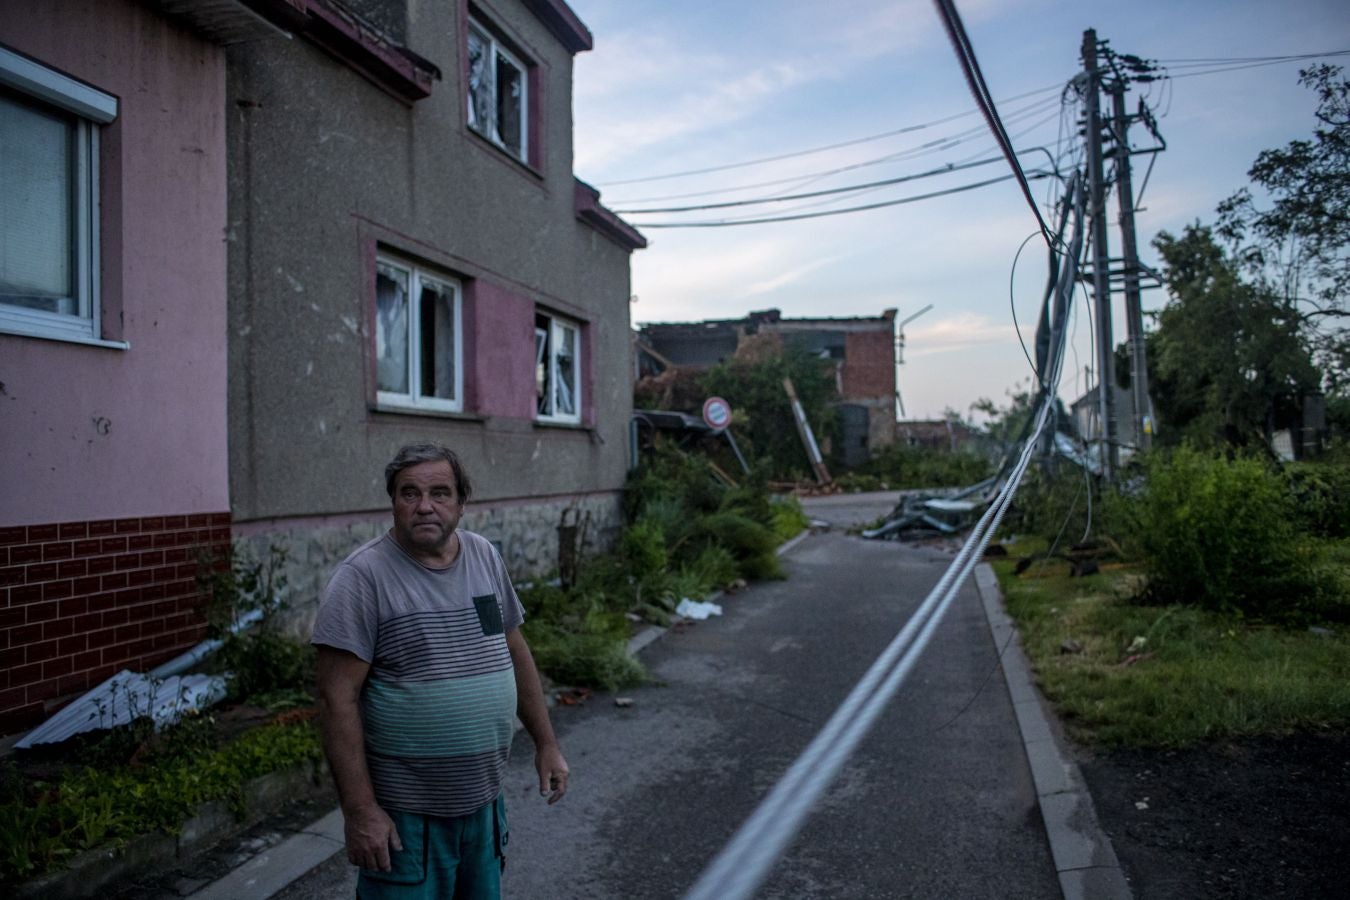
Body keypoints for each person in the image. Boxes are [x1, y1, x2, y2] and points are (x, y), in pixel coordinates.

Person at [312, 443, 569, 899]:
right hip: (407, 819)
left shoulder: (484, 556)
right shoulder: (363, 577)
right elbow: (336, 700)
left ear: (461, 503)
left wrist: (547, 743)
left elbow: (513, 649)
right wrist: (360, 811)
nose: (424, 505)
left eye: (439, 492)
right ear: (393, 502)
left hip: (485, 809)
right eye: (409, 493)